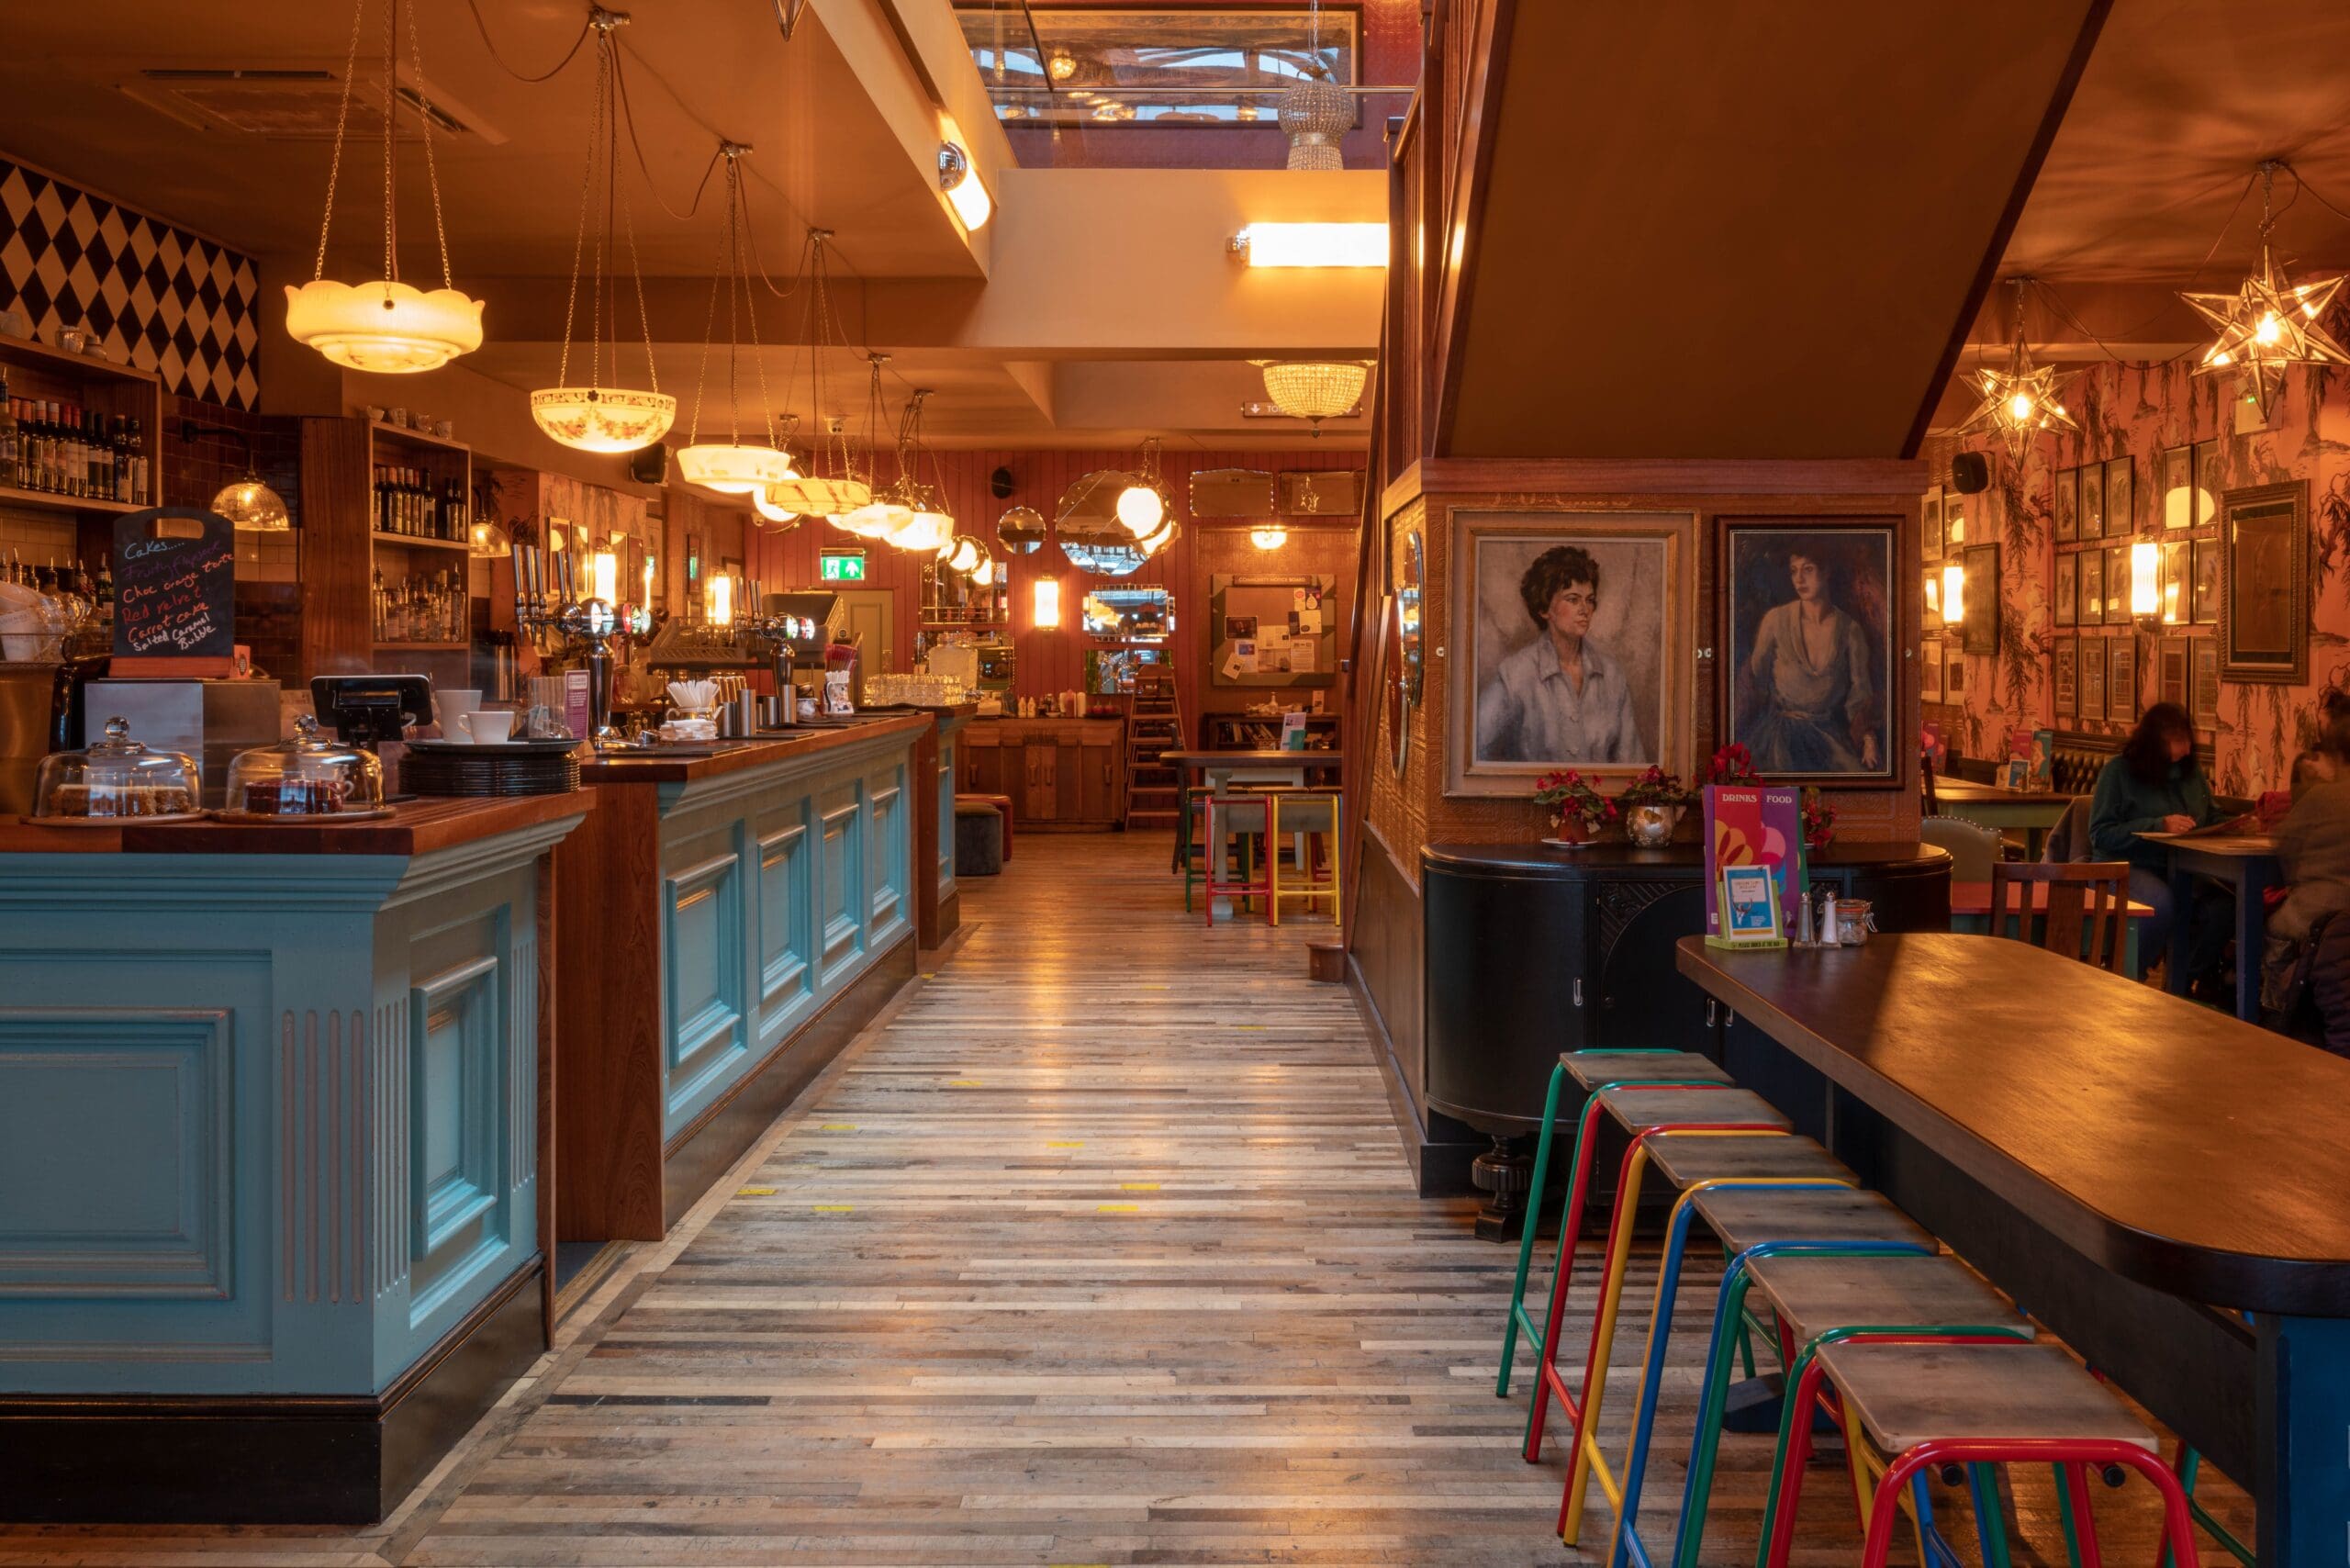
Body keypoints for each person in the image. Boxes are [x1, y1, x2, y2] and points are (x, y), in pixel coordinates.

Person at [2087, 702, 2231, 985]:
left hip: (2184, 868)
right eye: (2179, 741)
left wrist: (2236, 825)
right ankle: (2129, 978)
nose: (2187, 749)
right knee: (2160, 903)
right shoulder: (2118, 772)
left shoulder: (2190, 774)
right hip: (2124, 867)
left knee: (2224, 908)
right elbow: (2100, 833)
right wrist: (2158, 825)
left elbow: (2212, 815)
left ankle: (2182, 981)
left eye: (2188, 740)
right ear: (2155, 743)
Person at [1475, 545, 1644, 764]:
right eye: (1573, 599)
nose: (1585, 609)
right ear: (1545, 608)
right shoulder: (1515, 675)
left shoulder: (1612, 676)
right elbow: (1475, 751)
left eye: (1590, 600)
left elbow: (1632, 764)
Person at [1738, 549, 1881, 773]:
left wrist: (1868, 740)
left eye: (1808, 569)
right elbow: (1754, 683)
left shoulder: (1850, 631)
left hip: (1827, 738)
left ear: (1826, 572)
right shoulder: (1775, 621)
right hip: (1778, 739)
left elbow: (1860, 695)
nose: (1799, 579)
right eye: (1794, 571)